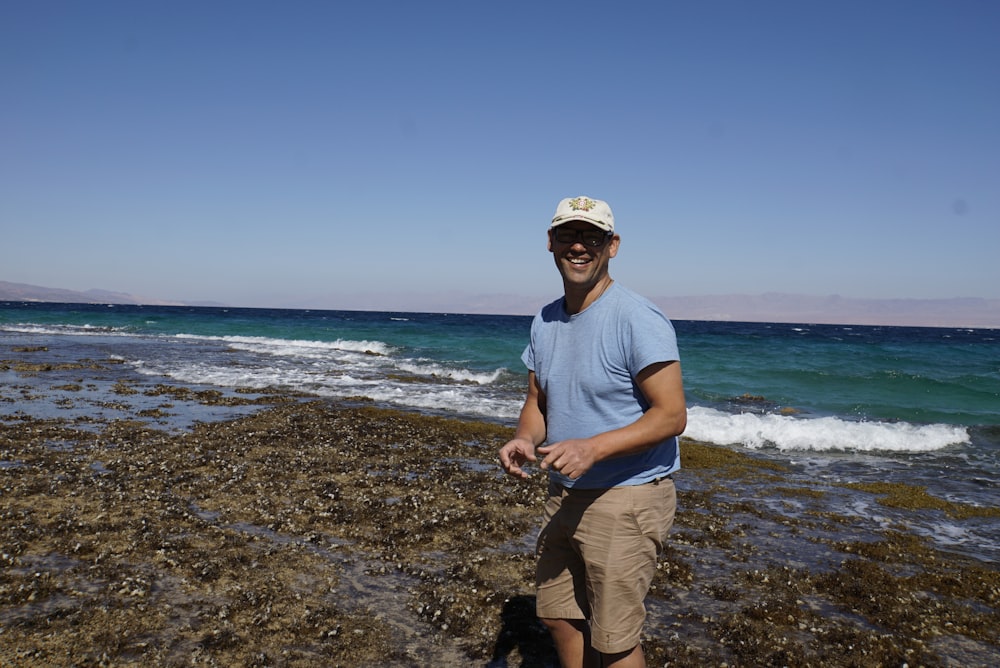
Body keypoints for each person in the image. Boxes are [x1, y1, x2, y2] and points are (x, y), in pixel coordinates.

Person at [499, 196, 686, 668]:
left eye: (592, 237)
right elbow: (538, 402)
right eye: (568, 235)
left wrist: (594, 449)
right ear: (551, 242)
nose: (579, 246)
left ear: (612, 246)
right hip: (564, 492)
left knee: (613, 637)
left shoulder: (637, 317)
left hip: (627, 496)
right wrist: (525, 437)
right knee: (559, 615)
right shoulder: (545, 319)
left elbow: (671, 416)